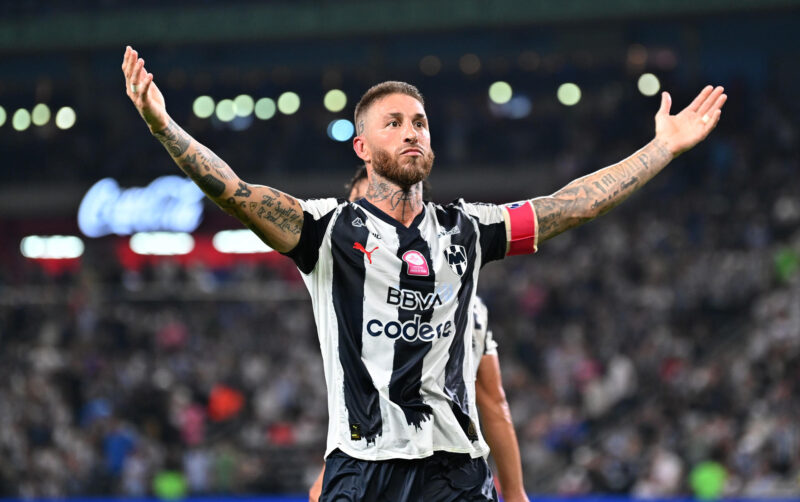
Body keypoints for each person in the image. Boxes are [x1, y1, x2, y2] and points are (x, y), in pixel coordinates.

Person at [122, 45, 726, 501]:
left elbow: (572, 204)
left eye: (419, 122)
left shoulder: (467, 229)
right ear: (361, 147)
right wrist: (161, 125)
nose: (411, 131)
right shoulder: (325, 231)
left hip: (452, 469)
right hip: (361, 470)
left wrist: (662, 149)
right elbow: (234, 192)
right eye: (394, 123)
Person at [307, 168, 529, 501]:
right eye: (358, 209)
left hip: (445, 464)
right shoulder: (338, 301)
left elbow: (493, 400)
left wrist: (515, 493)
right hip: (368, 457)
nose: (370, 220)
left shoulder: (466, 309)